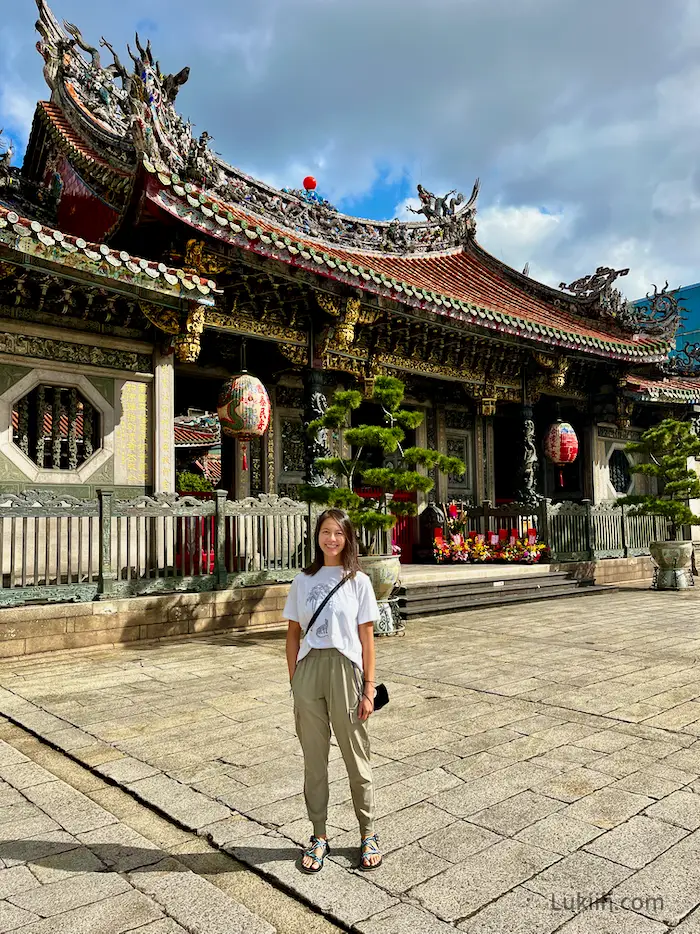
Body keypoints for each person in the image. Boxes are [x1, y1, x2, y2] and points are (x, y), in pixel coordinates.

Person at [284, 508, 382, 874]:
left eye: (338, 533)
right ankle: (319, 835)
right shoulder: (303, 580)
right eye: (325, 532)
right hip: (309, 671)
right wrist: (295, 680)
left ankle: (367, 832)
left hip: (346, 671)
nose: (331, 539)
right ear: (318, 536)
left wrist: (369, 688)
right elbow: (293, 635)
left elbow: (367, 641)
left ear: (347, 538)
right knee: (314, 760)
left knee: (356, 756)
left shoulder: (358, 581)